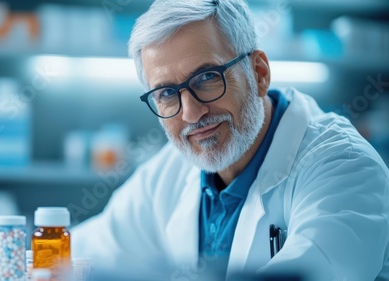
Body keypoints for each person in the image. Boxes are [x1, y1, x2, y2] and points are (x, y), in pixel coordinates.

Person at [71, 0, 389, 280]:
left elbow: (317, 271)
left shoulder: (343, 166)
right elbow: (85, 251)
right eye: (167, 93)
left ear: (259, 73)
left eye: (208, 77)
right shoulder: (169, 172)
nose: (192, 113)